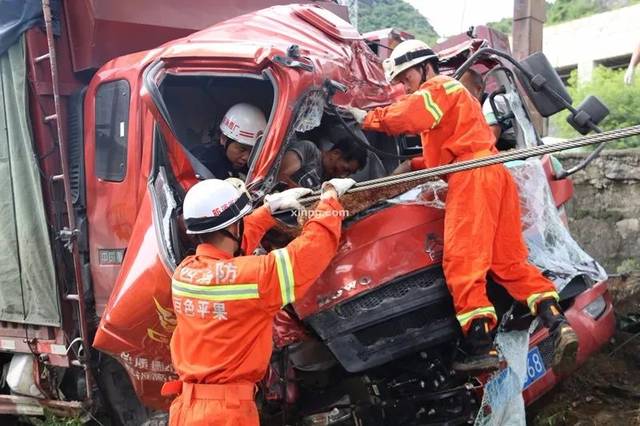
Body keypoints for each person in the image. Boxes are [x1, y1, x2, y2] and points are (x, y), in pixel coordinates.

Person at [346, 39, 578, 374]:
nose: (404, 85)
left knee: (463, 262)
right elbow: (446, 151)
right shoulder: (454, 101)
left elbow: (410, 116)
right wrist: (412, 168)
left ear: (425, 66)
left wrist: (369, 118)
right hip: (493, 174)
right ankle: (558, 324)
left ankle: (478, 346)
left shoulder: (438, 87)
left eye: (405, 76)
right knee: (509, 262)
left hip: (472, 178)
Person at [162, 176, 355, 425]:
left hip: (187, 409)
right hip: (226, 414)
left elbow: (229, 256)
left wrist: (266, 213)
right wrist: (330, 200)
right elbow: (309, 253)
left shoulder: (184, 274)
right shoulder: (256, 279)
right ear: (233, 227)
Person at [191, 103, 267, 179]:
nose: (246, 158)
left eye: (253, 151)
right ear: (224, 139)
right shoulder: (203, 161)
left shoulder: (250, 169)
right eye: (242, 149)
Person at [277, 137, 367, 189]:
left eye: (349, 174)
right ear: (336, 153)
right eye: (345, 170)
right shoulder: (309, 151)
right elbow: (280, 177)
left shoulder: (327, 183)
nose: (343, 176)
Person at [459, 68, 516, 148]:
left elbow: (489, 142)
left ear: (479, 89)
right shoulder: (475, 109)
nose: (459, 97)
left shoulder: (491, 103)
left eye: (463, 92)